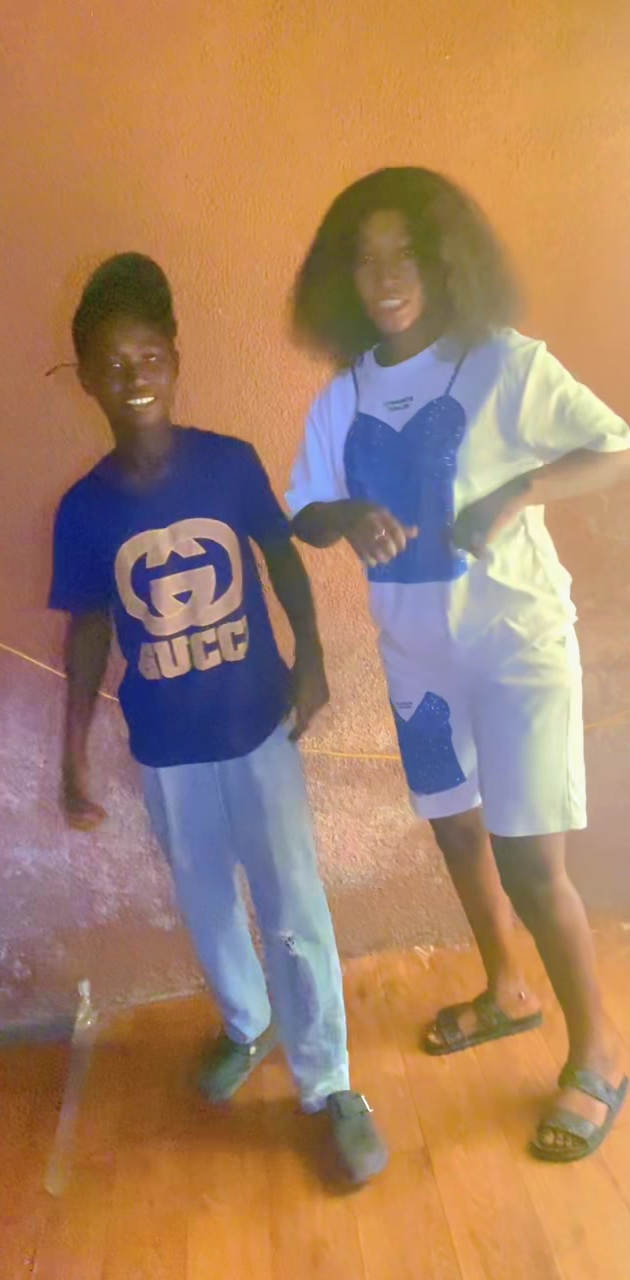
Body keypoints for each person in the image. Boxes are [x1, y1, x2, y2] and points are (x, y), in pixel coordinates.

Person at [286, 167, 630, 1162]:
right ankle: (507, 989)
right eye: (367, 259)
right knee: (456, 828)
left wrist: (518, 492)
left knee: (529, 858)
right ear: (344, 278)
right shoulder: (344, 395)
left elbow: (613, 447)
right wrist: (349, 516)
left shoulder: (502, 363)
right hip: (416, 657)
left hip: (517, 649)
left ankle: (600, 1051)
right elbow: (305, 510)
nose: (387, 275)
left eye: (408, 253)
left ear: (446, 262)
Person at [48, 252, 388, 1185]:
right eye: (113, 365)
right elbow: (88, 628)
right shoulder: (84, 510)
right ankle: (249, 1022)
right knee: (205, 900)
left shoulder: (228, 464)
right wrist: (72, 751)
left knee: (291, 904)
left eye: (149, 357)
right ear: (87, 380)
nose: (135, 378)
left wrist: (311, 656)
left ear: (175, 357)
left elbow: (280, 557)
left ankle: (329, 1083)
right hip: (167, 748)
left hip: (256, 729)